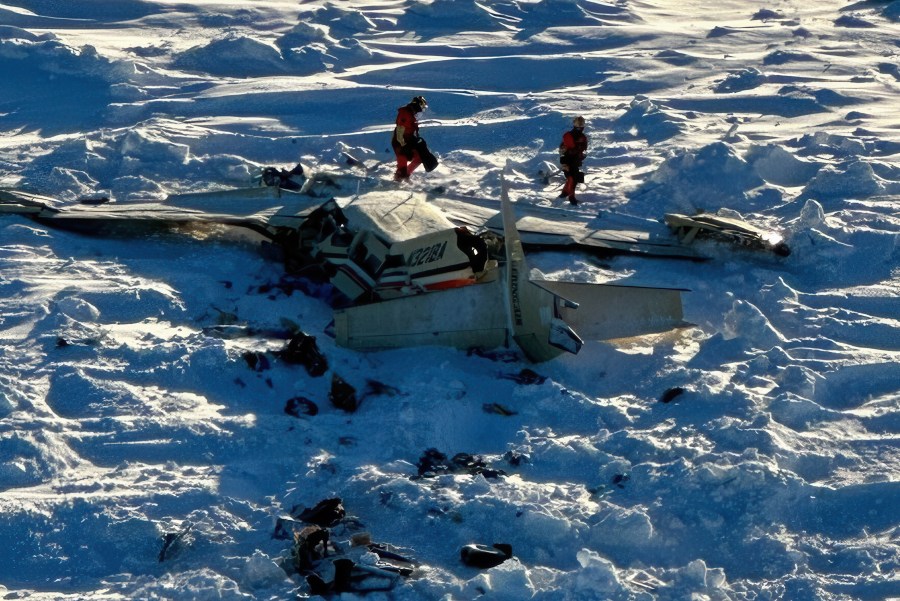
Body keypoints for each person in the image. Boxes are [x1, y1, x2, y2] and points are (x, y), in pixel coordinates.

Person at [392, 95, 428, 180]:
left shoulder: (412, 115)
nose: (422, 111)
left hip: (408, 141)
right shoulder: (405, 114)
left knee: (419, 157)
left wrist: (418, 141)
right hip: (400, 143)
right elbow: (400, 131)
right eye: (422, 108)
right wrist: (403, 145)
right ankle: (398, 180)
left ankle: (405, 175)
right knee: (402, 165)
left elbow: (411, 131)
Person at [558, 116, 588, 204]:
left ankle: (564, 193)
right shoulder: (568, 135)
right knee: (572, 179)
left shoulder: (583, 137)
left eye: (581, 124)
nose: (580, 126)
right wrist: (564, 163)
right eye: (578, 124)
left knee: (573, 178)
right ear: (575, 124)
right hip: (567, 160)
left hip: (576, 160)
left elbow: (584, 148)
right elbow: (563, 151)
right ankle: (571, 197)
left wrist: (581, 155)